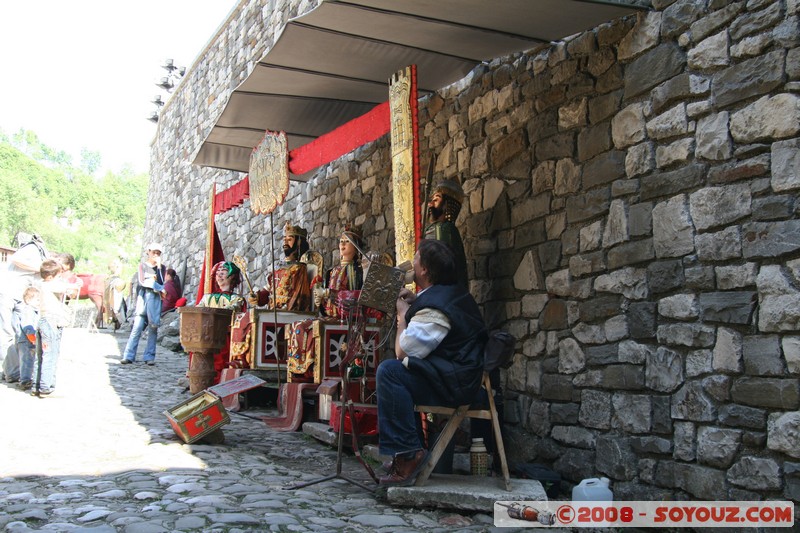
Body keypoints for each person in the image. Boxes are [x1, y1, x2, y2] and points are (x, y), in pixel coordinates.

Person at [376, 239, 487, 486]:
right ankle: (408, 450)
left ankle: (408, 454)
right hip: (452, 376)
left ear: (424, 269)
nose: (412, 262)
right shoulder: (448, 294)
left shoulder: (438, 307)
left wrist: (403, 316)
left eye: (415, 258)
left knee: (391, 371)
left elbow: (402, 352)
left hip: (455, 385)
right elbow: (434, 314)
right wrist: (417, 302)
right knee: (398, 374)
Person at [0, 234, 47, 383]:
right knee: (6, 332)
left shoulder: (41, 253)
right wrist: (39, 269)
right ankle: (10, 371)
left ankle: (12, 370)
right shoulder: (32, 248)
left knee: (19, 334)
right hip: (8, 292)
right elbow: (16, 259)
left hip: (21, 296)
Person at [33, 259, 81, 396]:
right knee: (50, 354)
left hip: (43, 321)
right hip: (51, 322)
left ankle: (36, 385)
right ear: (50, 276)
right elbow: (67, 288)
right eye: (58, 275)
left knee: (41, 355)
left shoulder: (41, 285)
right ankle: (46, 387)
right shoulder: (49, 286)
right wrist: (75, 284)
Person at [196, 261, 245, 382]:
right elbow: (198, 310)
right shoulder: (207, 297)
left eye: (223, 272)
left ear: (231, 276)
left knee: (222, 361)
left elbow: (232, 310)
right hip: (207, 335)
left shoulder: (236, 299)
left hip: (225, 337)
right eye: (217, 273)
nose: (219, 275)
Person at [248, 222, 312, 312]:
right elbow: (268, 291)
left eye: (289, 239)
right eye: (284, 239)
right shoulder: (278, 269)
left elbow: (299, 296)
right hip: (274, 313)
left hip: (288, 314)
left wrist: (284, 310)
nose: (285, 242)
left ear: (299, 242)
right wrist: (257, 297)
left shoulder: (299, 269)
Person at [121, 243, 167, 365]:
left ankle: (149, 357)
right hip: (143, 299)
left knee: (153, 327)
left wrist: (158, 269)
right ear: (149, 252)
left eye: (158, 253)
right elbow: (142, 281)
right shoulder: (142, 266)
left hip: (155, 301)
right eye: (154, 252)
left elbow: (162, 282)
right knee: (137, 327)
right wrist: (157, 286)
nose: (156, 255)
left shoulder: (161, 268)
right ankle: (128, 355)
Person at [424, 179, 468, 288]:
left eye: (436, 200)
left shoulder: (445, 230)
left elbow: (438, 266)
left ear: (446, 205)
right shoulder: (433, 228)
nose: (430, 204)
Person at [314, 225, 364, 319]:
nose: (343, 244)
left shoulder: (357, 271)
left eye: (347, 241)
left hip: (347, 319)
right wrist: (320, 301)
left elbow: (354, 297)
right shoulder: (331, 271)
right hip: (330, 316)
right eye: (341, 241)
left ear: (356, 247)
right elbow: (327, 301)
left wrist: (326, 292)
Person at [15, 286, 41, 391]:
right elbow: (28, 327)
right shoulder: (28, 311)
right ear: (29, 300)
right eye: (37, 299)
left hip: (27, 340)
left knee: (29, 360)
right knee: (26, 360)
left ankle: (26, 379)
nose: (39, 302)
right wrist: (33, 340)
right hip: (26, 341)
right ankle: (25, 381)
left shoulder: (33, 310)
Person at [103, 260, 128, 330]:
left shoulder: (116, 279)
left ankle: (120, 322)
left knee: (119, 307)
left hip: (116, 294)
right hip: (110, 296)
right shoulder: (110, 278)